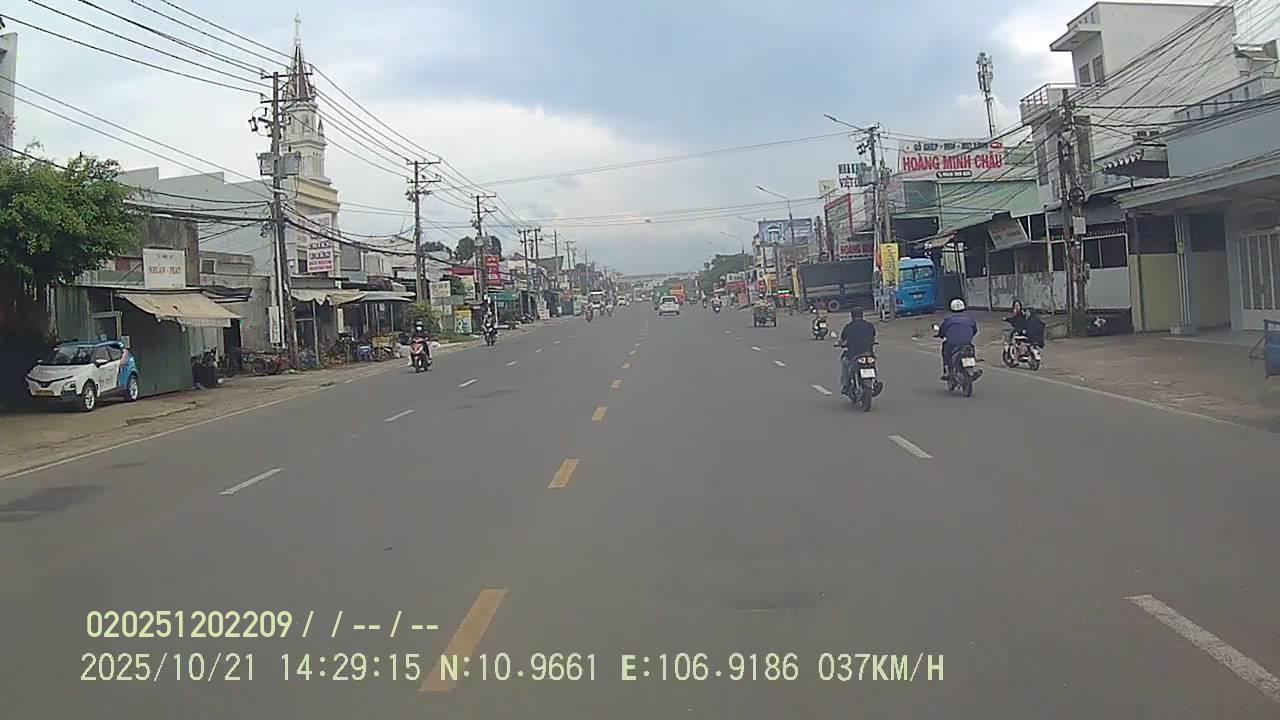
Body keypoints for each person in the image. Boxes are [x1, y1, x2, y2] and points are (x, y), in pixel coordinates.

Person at [837, 307, 876, 395]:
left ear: (852, 316)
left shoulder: (848, 327)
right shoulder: (869, 325)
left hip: (853, 354)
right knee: (872, 363)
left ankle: (845, 385)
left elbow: (842, 340)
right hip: (868, 354)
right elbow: (873, 337)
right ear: (862, 315)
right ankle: (875, 380)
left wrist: (839, 344)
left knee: (844, 362)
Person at [936, 298, 978, 380]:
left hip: (952, 344)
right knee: (971, 348)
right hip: (967, 343)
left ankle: (947, 370)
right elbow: (974, 330)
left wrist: (940, 335)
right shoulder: (969, 319)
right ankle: (973, 368)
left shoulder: (948, 320)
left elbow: (942, 331)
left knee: (946, 350)